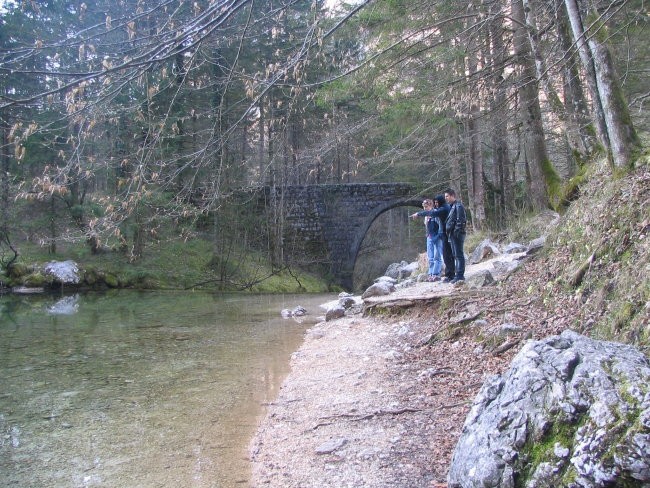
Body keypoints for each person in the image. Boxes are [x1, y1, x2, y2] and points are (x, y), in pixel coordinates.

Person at [410, 196, 448, 282]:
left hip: (437, 237)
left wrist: (438, 236)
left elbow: (440, 226)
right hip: (429, 237)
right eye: (424, 207)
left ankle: (436, 274)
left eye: (426, 207)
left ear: (431, 206)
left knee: (437, 256)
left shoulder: (436, 213)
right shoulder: (426, 216)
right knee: (430, 257)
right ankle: (430, 274)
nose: (425, 208)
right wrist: (428, 235)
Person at [444, 188, 467, 283]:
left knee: (459, 254)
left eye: (447, 196)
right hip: (452, 234)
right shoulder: (453, 206)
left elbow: (461, 221)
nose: (446, 198)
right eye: (445, 197)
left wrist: (456, 232)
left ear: (452, 195)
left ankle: (460, 275)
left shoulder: (458, 206)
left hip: (456, 234)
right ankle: (457, 275)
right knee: (455, 254)